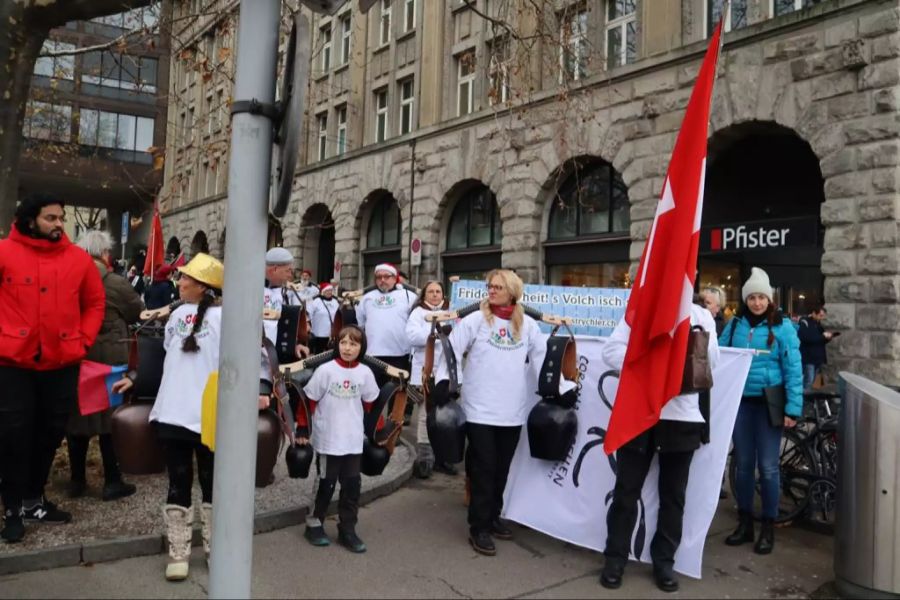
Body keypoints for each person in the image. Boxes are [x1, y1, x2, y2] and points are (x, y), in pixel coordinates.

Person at [149, 253, 266, 581]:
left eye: (186, 278)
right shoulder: (176, 316)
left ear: (203, 286)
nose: (180, 282)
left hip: (213, 412)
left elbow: (247, 359)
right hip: (173, 409)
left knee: (214, 483)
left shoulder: (229, 317)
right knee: (179, 479)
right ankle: (179, 549)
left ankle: (217, 547)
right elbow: (168, 354)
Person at [0, 194, 105, 544]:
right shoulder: (4, 252)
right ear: (31, 220)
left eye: (61, 217)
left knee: (49, 434)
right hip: (13, 364)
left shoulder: (78, 259)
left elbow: (94, 302)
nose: (59, 224)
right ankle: (13, 509)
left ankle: (34, 500)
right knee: (14, 437)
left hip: (62, 362)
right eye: (51, 218)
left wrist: (82, 341)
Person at [599, 301, 719, 593]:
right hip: (641, 414)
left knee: (673, 496)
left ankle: (664, 561)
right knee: (626, 492)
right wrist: (650, 358)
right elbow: (610, 352)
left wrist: (688, 347)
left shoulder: (701, 315)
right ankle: (615, 558)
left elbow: (711, 363)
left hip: (682, 417)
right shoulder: (642, 310)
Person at [435, 269, 546, 557]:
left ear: (512, 291)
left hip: (512, 410)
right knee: (484, 468)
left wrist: (559, 387)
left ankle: (493, 515)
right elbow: (452, 351)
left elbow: (542, 359)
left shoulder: (528, 326)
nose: (492, 291)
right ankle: (479, 527)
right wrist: (444, 382)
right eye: (490, 286)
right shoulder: (475, 320)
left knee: (502, 468)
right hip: (480, 409)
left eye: (498, 287)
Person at [719, 267, 802, 556]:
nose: (756, 302)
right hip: (740, 404)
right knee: (742, 466)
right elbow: (720, 357)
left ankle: (768, 525)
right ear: (745, 299)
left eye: (761, 297)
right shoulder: (735, 324)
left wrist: (793, 408)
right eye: (752, 297)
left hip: (769, 406)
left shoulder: (783, 327)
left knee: (767, 468)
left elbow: (793, 369)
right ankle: (745, 523)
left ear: (770, 299)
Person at [66, 231, 143, 502]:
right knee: (110, 422)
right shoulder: (116, 284)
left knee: (77, 420)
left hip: (77, 359)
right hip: (110, 364)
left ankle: (76, 482)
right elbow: (137, 311)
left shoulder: (67, 280)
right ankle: (112, 481)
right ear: (106, 254)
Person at [296, 325, 380, 553]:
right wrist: (302, 429)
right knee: (326, 483)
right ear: (337, 344)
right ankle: (314, 524)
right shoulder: (325, 370)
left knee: (352, 486)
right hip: (328, 438)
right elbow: (308, 401)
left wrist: (378, 433)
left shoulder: (365, 373)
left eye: (353, 343)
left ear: (361, 347)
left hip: (353, 439)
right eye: (343, 342)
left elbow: (371, 405)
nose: (347, 348)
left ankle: (347, 530)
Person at [405, 281, 456, 478]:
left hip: (448, 372)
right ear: (424, 294)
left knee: (446, 417)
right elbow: (411, 336)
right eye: (431, 292)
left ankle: (443, 458)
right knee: (426, 415)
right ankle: (425, 458)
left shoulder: (452, 311)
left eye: (438, 291)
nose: (435, 295)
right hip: (426, 372)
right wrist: (435, 334)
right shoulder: (418, 313)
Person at [355, 263, 413, 388]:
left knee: (399, 395)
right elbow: (360, 325)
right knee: (371, 395)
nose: (382, 280)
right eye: (379, 277)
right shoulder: (367, 298)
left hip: (400, 355)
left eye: (386, 276)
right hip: (372, 356)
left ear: (394, 278)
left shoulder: (409, 296)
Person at [797, 304, 832, 390]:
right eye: (820, 315)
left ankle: (806, 400)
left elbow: (819, 340)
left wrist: (828, 338)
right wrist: (823, 337)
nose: (822, 318)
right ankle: (804, 401)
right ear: (813, 313)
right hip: (808, 358)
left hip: (817, 358)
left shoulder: (818, 324)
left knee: (811, 381)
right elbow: (806, 338)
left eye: (823, 316)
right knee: (808, 381)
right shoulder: (804, 322)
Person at [307, 282, 340, 354]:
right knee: (319, 353)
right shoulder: (316, 301)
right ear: (323, 292)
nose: (329, 292)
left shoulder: (335, 302)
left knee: (331, 353)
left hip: (332, 333)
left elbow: (338, 315)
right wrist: (308, 324)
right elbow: (308, 314)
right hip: (319, 332)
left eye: (331, 290)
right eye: (327, 291)